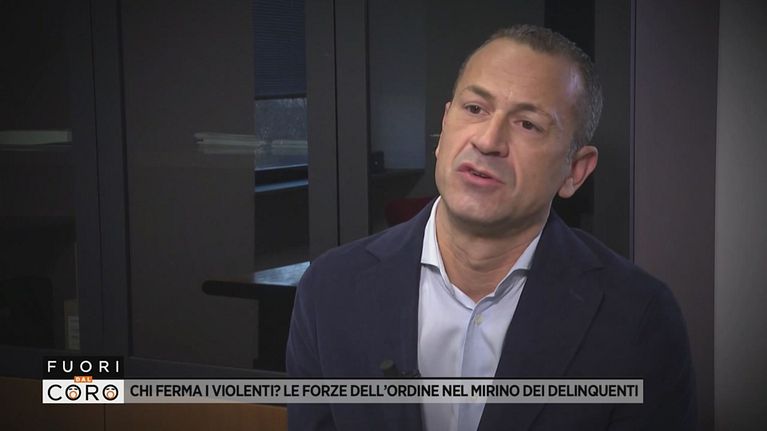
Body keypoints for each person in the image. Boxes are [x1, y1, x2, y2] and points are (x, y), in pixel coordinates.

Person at [287, 24, 696, 431]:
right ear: (444, 127)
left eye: (528, 124)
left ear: (575, 170)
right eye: (475, 109)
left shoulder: (638, 317)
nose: (487, 141)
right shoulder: (330, 288)